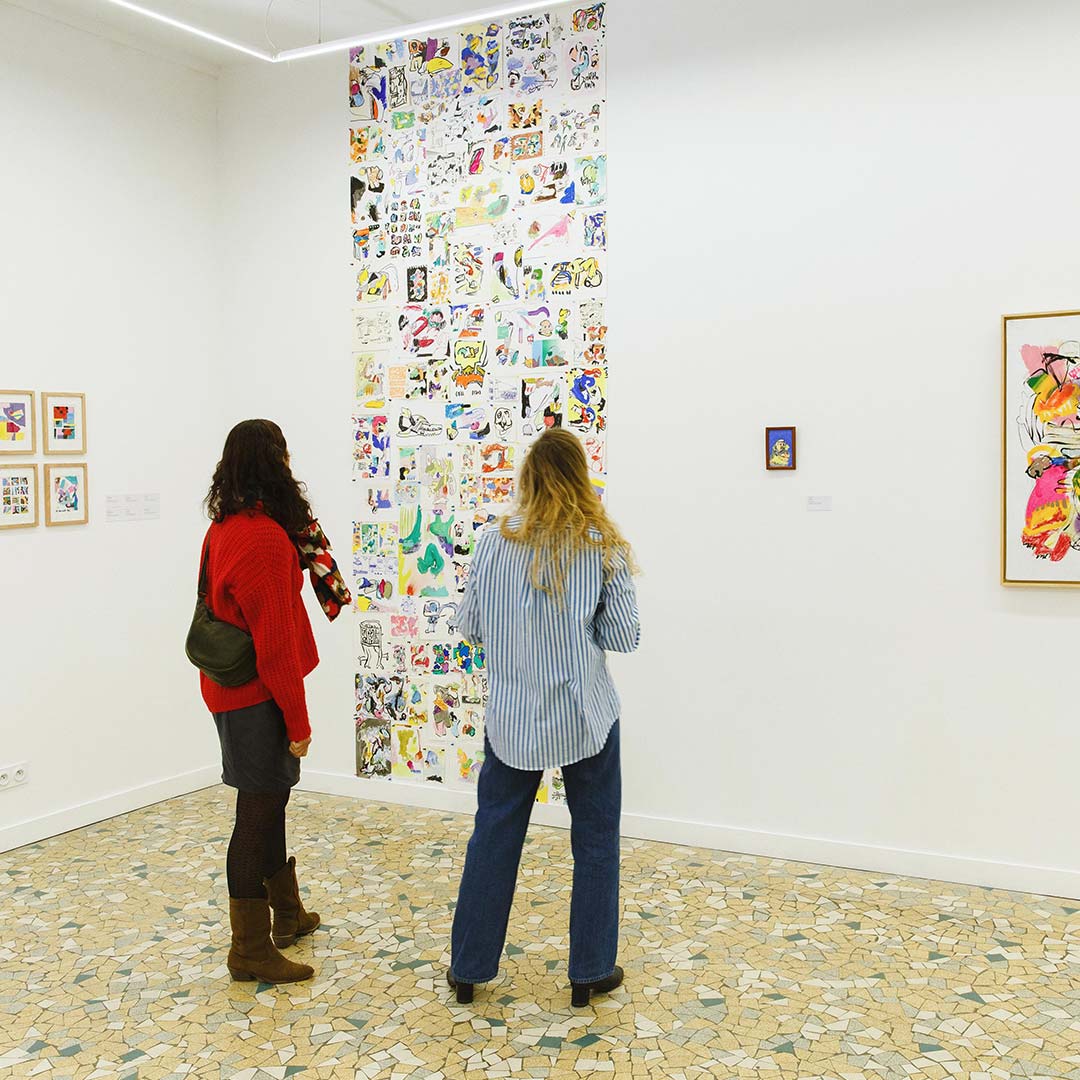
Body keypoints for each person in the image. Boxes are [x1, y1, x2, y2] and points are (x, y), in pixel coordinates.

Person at [447, 428, 641, 1008]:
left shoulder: (493, 541)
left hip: (512, 716)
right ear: (581, 477)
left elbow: (470, 625)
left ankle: (469, 969)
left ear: (528, 477)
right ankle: (590, 971)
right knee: (596, 839)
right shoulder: (600, 545)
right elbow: (623, 636)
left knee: (494, 834)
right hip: (584, 713)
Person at [199, 419, 350, 984]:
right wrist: (299, 721)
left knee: (270, 803)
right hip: (256, 696)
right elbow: (277, 645)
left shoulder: (224, 526)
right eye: (284, 455)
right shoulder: (263, 538)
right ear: (273, 463)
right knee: (255, 816)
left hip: (232, 690)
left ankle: (286, 914)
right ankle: (249, 950)